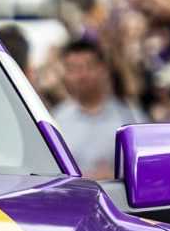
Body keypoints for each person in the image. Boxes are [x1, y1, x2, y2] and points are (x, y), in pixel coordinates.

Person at [50, 37, 142, 178]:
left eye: (88, 66)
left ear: (103, 69)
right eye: (73, 69)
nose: (82, 75)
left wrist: (115, 176)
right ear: (65, 74)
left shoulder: (130, 117)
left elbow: (143, 167)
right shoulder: (55, 121)